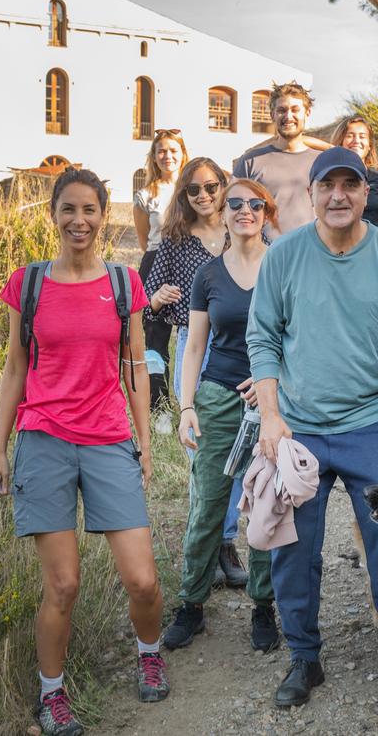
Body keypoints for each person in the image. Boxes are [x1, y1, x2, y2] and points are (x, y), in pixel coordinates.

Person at [247, 146, 378, 713]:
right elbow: (263, 339)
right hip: (299, 427)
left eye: (351, 185)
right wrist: (271, 415)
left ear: (366, 194)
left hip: (371, 424)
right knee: (293, 548)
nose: (339, 195)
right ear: (313, 192)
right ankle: (303, 656)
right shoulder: (284, 256)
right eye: (328, 185)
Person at [0, 169, 166, 736]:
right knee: (62, 585)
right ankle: (52, 693)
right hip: (43, 440)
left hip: (109, 437)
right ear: (53, 213)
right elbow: (15, 368)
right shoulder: (28, 284)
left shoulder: (123, 284)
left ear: (102, 214)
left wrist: (143, 443)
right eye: (68, 209)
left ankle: (150, 651)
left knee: (142, 580)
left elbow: (137, 367)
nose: (79, 221)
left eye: (89, 210)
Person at [164, 178, 282, 654]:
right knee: (208, 502)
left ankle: (263, 605)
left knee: (264, 504)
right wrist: (186, 405)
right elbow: (194, 346)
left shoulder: (283, 267)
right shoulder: (208, 275)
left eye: (255, 204)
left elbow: (298, 337)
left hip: (269, 400)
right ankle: (191, 603)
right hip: (216, 396)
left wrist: (275, 380)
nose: (244, 211)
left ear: (267, 212)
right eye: (235, 203)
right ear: (225, 213)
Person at [146, 158, 247, 588]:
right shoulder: (173, 239)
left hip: (239, 345)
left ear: (223, 187)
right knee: (201, 451)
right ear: (183, 195)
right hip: (194, 345)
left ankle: (225, 540)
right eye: (194, 190)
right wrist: (161, 296)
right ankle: (208, 543)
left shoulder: (240, 227)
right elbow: (151, 299)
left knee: (241, 450)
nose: (204, 196)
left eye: (211, 187)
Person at [134, 129, 187, 435]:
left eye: (173, 150)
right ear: (154, 157)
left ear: (182, 153)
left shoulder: (192, 187)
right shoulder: (145, 195)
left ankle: (193, 403)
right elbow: (144, 241)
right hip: (155, 262)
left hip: (189, 260)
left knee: (195, 334)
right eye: (161, 151)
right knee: (155, 340)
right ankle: (161, 409)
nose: (168, 156)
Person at [233, 81, 318, 237]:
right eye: (281, 110)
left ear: (307, 113)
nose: (288, 116)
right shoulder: (249, 162)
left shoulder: (322, 162)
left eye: (295, 110)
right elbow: (232, 211)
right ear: (272, 115)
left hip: (311, 255)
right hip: (264, 257)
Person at [331, 114, 378, 231]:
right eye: (349, 136)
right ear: (340, 141)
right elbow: (301, 142)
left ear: (370, 145)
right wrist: (333, 150)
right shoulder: (329, 175)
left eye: (362, 137)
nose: (356, 141)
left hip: (375, 246)